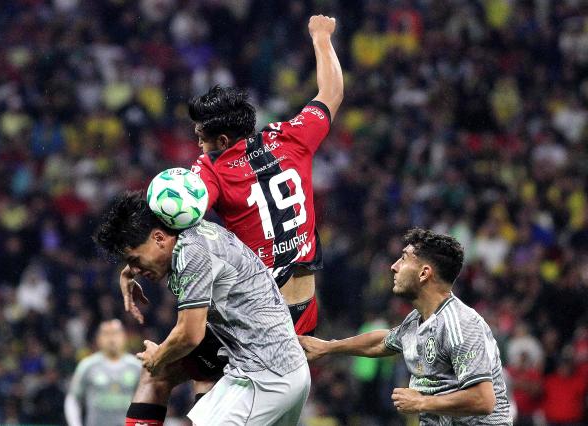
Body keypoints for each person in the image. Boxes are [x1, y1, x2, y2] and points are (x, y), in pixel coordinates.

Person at [187, 14, 343, 337]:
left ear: (222, 142)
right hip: (305, 307)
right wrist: (321, 38)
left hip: (260, 312)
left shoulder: (211, 168)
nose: (200, 147)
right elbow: (332, 93)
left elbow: (187, 212)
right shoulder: (291, 136)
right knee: (293, 383)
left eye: (202, 139)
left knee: (171, 371)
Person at [94, 192, 310, 426]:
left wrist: (156, 358)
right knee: (163, 372)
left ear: (158, 238)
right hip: (278, 365)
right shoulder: (191, 233)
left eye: (135, 260)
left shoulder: (192, 255)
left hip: (265, 378)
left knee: (159, 366)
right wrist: (130, 268)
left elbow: (189, 334)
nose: (135, 269)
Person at [299, 229, 513, 425]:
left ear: (424, 273)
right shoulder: (416, 319)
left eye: (403, 258)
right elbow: (382, 342)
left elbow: (483, 400)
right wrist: (329, 347)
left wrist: (422, 403)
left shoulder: (460, 323)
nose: (394, 266)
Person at [65, 319, 141, 426]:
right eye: (106, 334)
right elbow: (73, 398)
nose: (111, 339)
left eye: (115, 333)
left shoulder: (136, 366)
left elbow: (147, 399)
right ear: (98, 339)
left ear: (124, 337)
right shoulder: (87, 365)